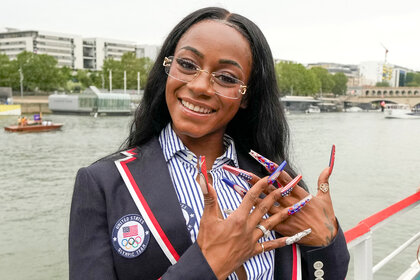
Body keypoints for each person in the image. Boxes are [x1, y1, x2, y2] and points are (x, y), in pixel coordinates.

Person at [69, 7, 349, 280]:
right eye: (187, 65)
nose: (200, 86)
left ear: (247, 97)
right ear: (168, 68)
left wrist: (326, 240)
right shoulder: (104, 184)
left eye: (226, 78)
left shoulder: (274, 182)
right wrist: (208, 265)